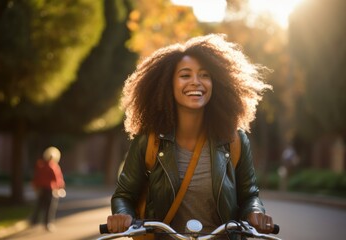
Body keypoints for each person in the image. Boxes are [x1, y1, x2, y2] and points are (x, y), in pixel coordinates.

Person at [107, 34, 275, 239]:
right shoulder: (149, 139)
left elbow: (249, 195)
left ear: (217, 83)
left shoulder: (234, 140)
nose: (196, 82)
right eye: (185, 75)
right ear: (167, 84)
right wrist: (122, 215)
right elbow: (125, 195)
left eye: (205, 75)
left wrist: (256, 212)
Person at [30, 146, 65, 232]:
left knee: (39, 205)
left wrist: (36, 187)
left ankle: (34, 220)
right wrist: (60, 187)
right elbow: (58, 178)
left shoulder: (40, 165)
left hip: (42, 189)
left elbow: (36, 178)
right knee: (49, 208)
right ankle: (47, 223)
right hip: (50, 190)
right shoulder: (53, 166)